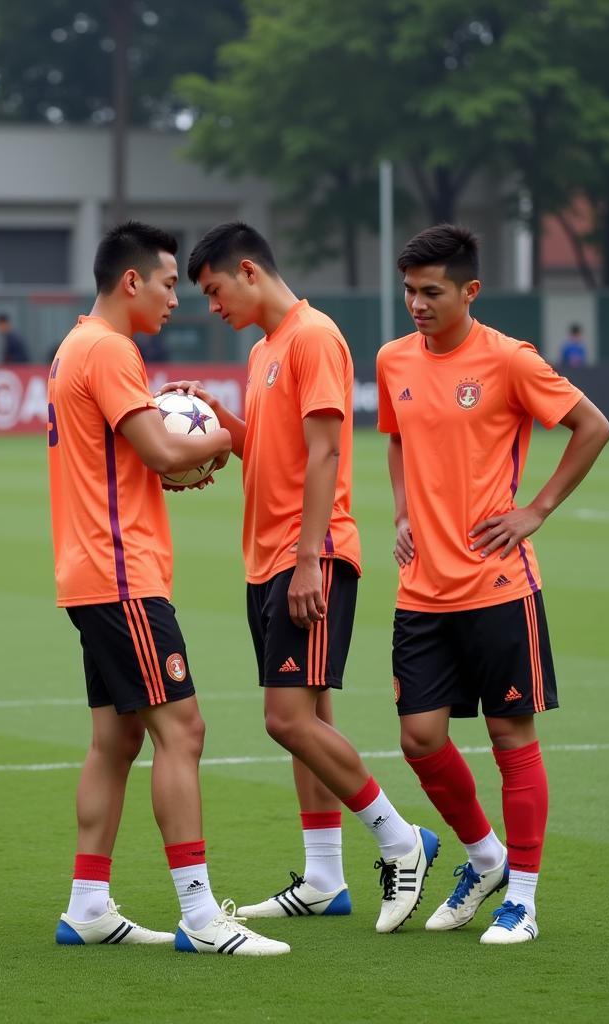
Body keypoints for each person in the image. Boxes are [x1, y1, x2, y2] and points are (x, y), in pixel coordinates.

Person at [163, 221, 437, 934]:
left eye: (215, 290)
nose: (212, 306)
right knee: (307, 719)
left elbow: (324, 456)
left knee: (284, 718)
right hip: (270, 557)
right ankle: (324, 876)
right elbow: (275, 453)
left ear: (248, 271)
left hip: (305, 556)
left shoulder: (314, 336)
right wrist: (226, 426)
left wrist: (311, 558)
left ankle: (402, 839)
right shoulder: (263, 353)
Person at [48, 220, 288, 956]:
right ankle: (200, 915)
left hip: (91, 573)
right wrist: (219, 435)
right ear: (131, 282)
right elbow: (156, 448)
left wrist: (178, 459)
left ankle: (87, 904)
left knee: (115, 739)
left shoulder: (73, 345)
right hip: (123, 576)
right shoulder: (111, 349)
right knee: (183, 731)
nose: (175, 299)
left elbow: (139, 461)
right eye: (167, 283)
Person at [377, 224, 609, 944]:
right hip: (422, 589)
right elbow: (396, 437)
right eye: (409, 290)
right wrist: (405, 511)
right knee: (420, 739)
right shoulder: (392, 360)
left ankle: (524, 901)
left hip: (497, 585)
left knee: (512, 737)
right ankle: (485, 860)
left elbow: (592, 426)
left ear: (470, 291)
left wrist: (535, 510)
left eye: (431, 292)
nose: (416, 304)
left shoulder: (509, 360)